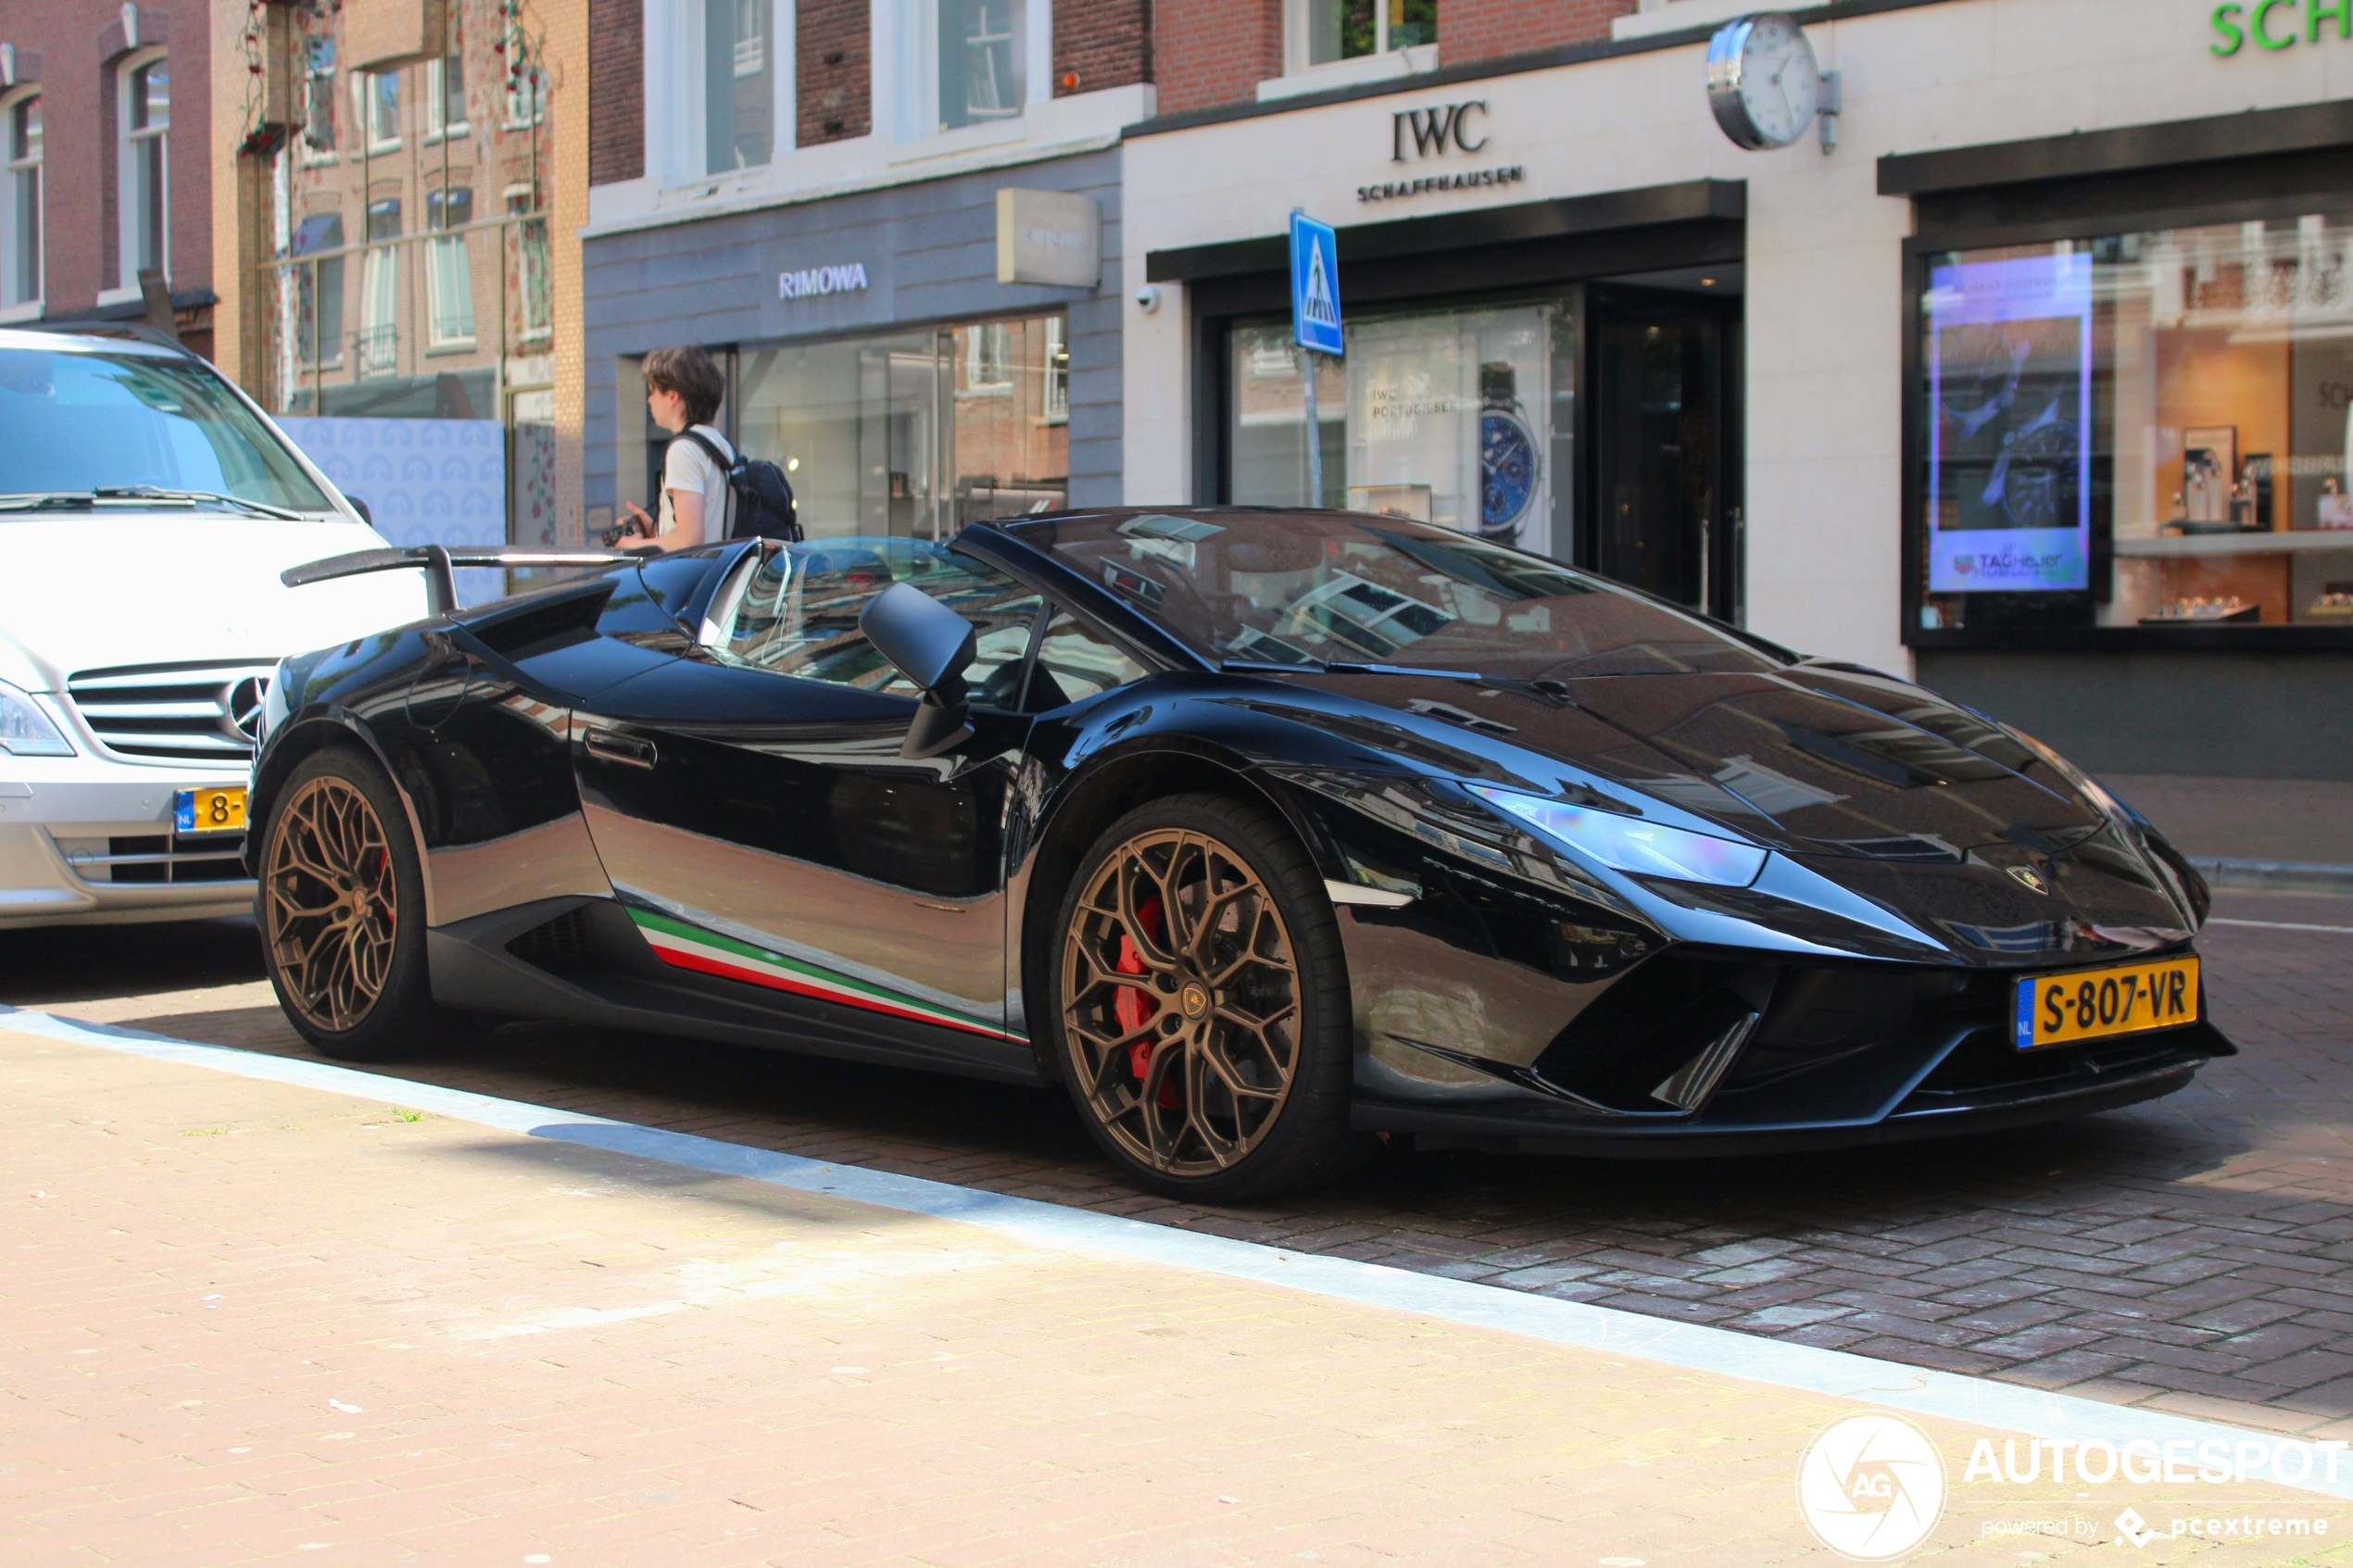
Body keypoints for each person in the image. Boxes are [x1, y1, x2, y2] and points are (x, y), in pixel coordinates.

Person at [619, 345, 733, 552]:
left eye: (653, 391)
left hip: (693, 579)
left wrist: (632, 545)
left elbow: (689, 541)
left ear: (672, 396)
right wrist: (657, 529)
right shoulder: (718, 443)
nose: (649, 399)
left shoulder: (684, 450)